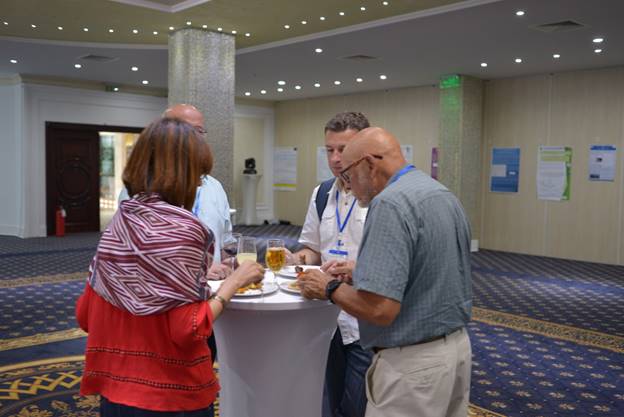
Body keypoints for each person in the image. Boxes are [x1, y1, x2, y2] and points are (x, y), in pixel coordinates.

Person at [76, 117, 265, 416]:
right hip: (169, 395)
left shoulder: (121, 222)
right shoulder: (184, 230)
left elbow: (85, 315)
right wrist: (234, 282)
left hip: (114, 389)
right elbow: (188, 329)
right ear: (183, 174)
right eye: (199, 176)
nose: (199, 184)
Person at [298, 127, 473, 417]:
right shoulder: (441, 193)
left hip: (413, 365)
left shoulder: (389, 203)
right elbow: (431, 268)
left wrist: (328, 287)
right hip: (456, 351)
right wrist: (365, 272)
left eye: (349, 175)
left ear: (369, 163)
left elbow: (380, 310)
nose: (349, 187)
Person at [289, 112, 372, 417]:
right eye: (329, 150)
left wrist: (356, 267)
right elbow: (312, 248)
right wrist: (295, 260)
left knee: (357, 407)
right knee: (327, 402)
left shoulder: (381, 197)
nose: (336, 158)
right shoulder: (323, 193)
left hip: (366, 322)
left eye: (344, 149)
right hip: (325, 318)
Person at [118, 104, 232, 280]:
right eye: (184, 130)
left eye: (199, 131)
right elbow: (137, 260)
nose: (193, 138)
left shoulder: (214, 186)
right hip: (164, 297)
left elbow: (222, 244)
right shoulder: (139, 191)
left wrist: (231, 263)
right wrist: (196, 273)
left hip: (211, 292)